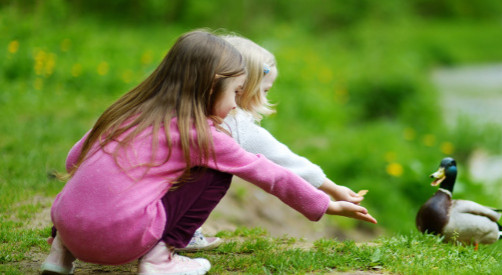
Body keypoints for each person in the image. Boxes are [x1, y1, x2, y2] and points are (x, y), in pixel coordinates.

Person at [41, 30, 377, 275]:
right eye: (235, 92)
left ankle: (59, 256)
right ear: (211, 85)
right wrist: (325, 204)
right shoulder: (201, 134)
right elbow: (267, 171)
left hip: (69, 228)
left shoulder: (126, 112)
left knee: (89, 181)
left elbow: (74, 160)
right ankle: (159, 260)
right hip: (122, 241)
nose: (235, 104)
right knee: (217, 171)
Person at [181, 34, 368, 251]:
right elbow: (282, 162)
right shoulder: (236, 125)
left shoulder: (178, 109)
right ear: (242, 86)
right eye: (265, 91)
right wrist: (333, 191)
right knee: (216, 177)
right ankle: (182, 232)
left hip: (148, 198)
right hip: (168, 205)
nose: (267, 99)